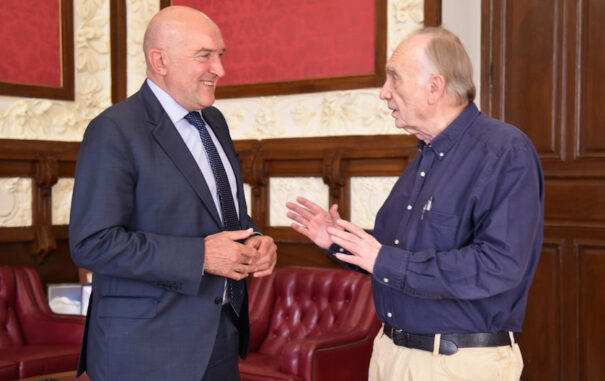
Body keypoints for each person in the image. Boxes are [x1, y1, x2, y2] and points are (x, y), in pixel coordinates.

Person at [286, 27, 543, 381]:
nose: (384, 93)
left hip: (456, 364)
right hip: (390, 354)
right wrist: (338, 240)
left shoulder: (504, 150)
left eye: (394, 79)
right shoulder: (423, 156)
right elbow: (398, 255)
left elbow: (499, 264)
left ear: (435, 87)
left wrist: (383, 259)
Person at [69, 6, 277, 381]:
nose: (220, 69)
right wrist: (201, 256)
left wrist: (256, 241)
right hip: (144, 350)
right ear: (159, 61)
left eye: (220, 55)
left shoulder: (214, 121)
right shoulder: (114, 130)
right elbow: (92, 243)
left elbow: (222, 216)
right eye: (205, 56)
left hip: (219, 337)